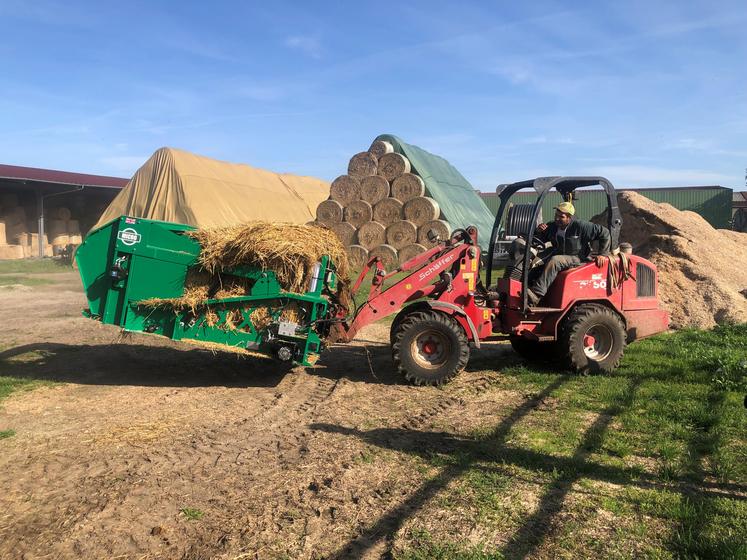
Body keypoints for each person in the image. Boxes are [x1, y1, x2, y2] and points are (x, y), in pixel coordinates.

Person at [526, 201, 610, 304]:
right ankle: (523, 287)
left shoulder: (581, 226)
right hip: (560, 254)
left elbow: (604, 233)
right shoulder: (552, 226)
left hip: (577, 257)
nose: (557, 218)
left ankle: (537, 295)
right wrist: (538, 231)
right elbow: (540, 239)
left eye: (561, 217)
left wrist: (603, 254)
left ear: (569, 217)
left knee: (555, 260)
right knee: (535, 261)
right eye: (556, 215)